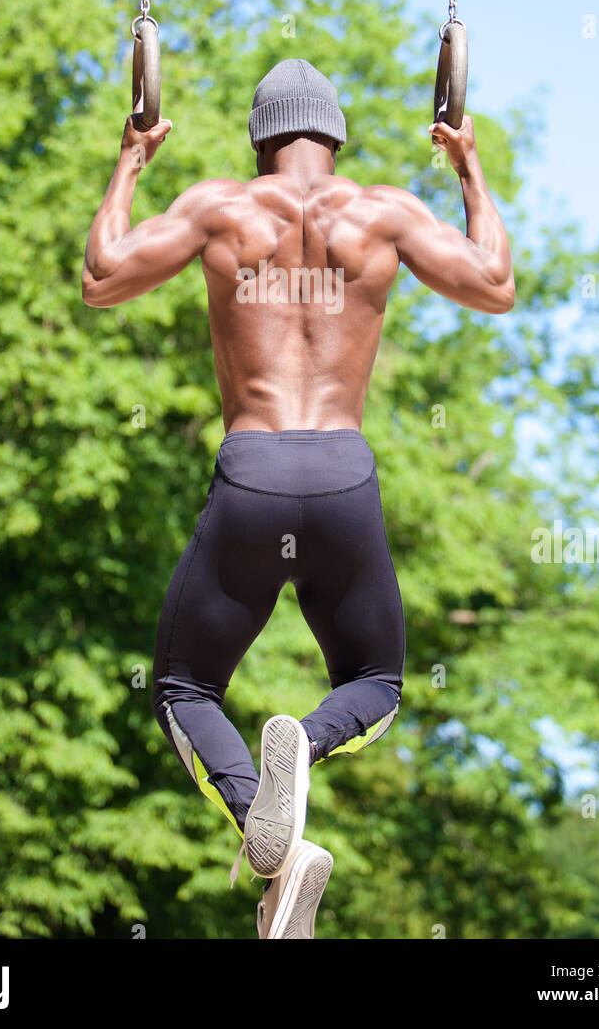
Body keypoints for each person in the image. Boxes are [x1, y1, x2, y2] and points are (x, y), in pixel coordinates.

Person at [81, 59, 514, 938]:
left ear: (258, 137)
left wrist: (130, 160)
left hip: (252, 475)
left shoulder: (220, 208)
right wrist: (470, 167)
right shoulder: (384, 212)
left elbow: (103, 277)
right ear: (337, 134)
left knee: (183, 687)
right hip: (344, 479)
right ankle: (304, 753)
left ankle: (264, 832)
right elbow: (495, 285)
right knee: (378, 683)